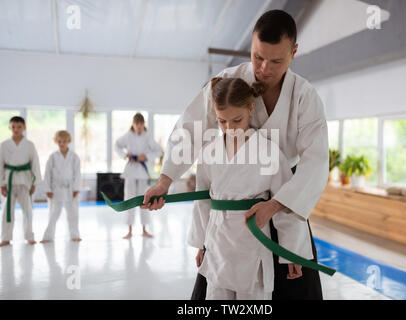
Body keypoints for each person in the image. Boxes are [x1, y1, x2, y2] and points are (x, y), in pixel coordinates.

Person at [142, 10, 329, 300]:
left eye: (276, 61)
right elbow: (190, 129)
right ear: (251, 46)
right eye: (257, 57)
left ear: (294, 53)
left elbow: (315, 164)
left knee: (294, 288)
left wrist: (276, 205)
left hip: (282, 205)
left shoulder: (304, 97)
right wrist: (165, 180)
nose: (264, 68)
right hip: (227, 224)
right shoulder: (227, 82)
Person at [188, 77, 312, 300]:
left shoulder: (268, 151)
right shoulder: (209, 152)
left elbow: (284, 202)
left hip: (252, 244)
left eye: (237, 120)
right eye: (222, 121)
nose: (230, 128)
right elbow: (203, 201)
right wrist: (201, 243)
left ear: (250, 109)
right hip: (218, 244)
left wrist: (292, 252)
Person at [115, 113, 163, 239]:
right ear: (133, 124)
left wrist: (146, 156)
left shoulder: (148, 136)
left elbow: (159, 151)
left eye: (141, 124)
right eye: (137, 124)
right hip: (130, 171)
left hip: (142, 172)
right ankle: (129, 230)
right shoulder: (128, 135)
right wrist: (125, 155)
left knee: (144, 199)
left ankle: (144, 229)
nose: (139, 126)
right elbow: (117, 145)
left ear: (143, 124)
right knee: (129, 199)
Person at [0, 116, 42, 247]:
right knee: (7, 210)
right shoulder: (4, 145)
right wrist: (1, 184)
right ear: (9, 128)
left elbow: (35, 163)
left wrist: (34, 183)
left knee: (28, 210)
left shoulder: (29, 145)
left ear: (24, 128)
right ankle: (5, 238)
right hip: (9, 181)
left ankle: (29, 236)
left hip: (25, 181)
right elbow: (0, 164)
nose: (16, 129)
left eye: (19, 127)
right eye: (13, 127)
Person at [40, 130, 81, 243]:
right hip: (56, 188)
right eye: (59, 141)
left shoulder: (74, 157)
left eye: (64, 141)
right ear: (56, 142)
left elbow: (77, 173)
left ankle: (75, 235)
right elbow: (47, 173)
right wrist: (47, 189)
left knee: (73, 213)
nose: (61, 144)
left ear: (68, 141)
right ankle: (48, 236)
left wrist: (76, 188)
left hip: (70, 188)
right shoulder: (52, 157)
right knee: (53, 213)